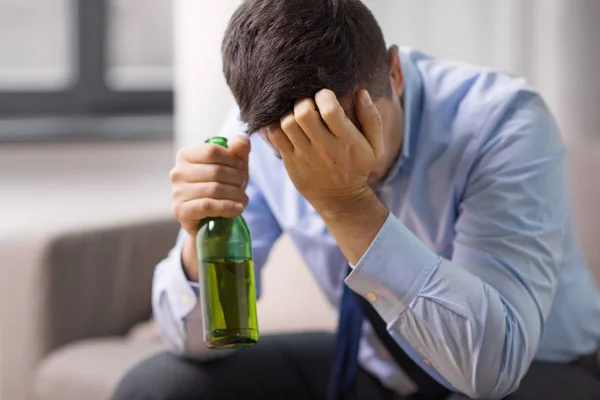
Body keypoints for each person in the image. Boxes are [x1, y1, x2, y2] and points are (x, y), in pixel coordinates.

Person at [113, 0, 600, 399]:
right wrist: (200, 242)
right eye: (293, 150)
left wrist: (346, 203)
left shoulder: (503, 122)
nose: (328, 158)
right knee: (156, 388)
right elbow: (196, 344)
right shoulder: (259, 130)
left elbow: (491, 371)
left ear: (395, 73)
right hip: (377, 364)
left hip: (537, 368)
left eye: (350, 132)